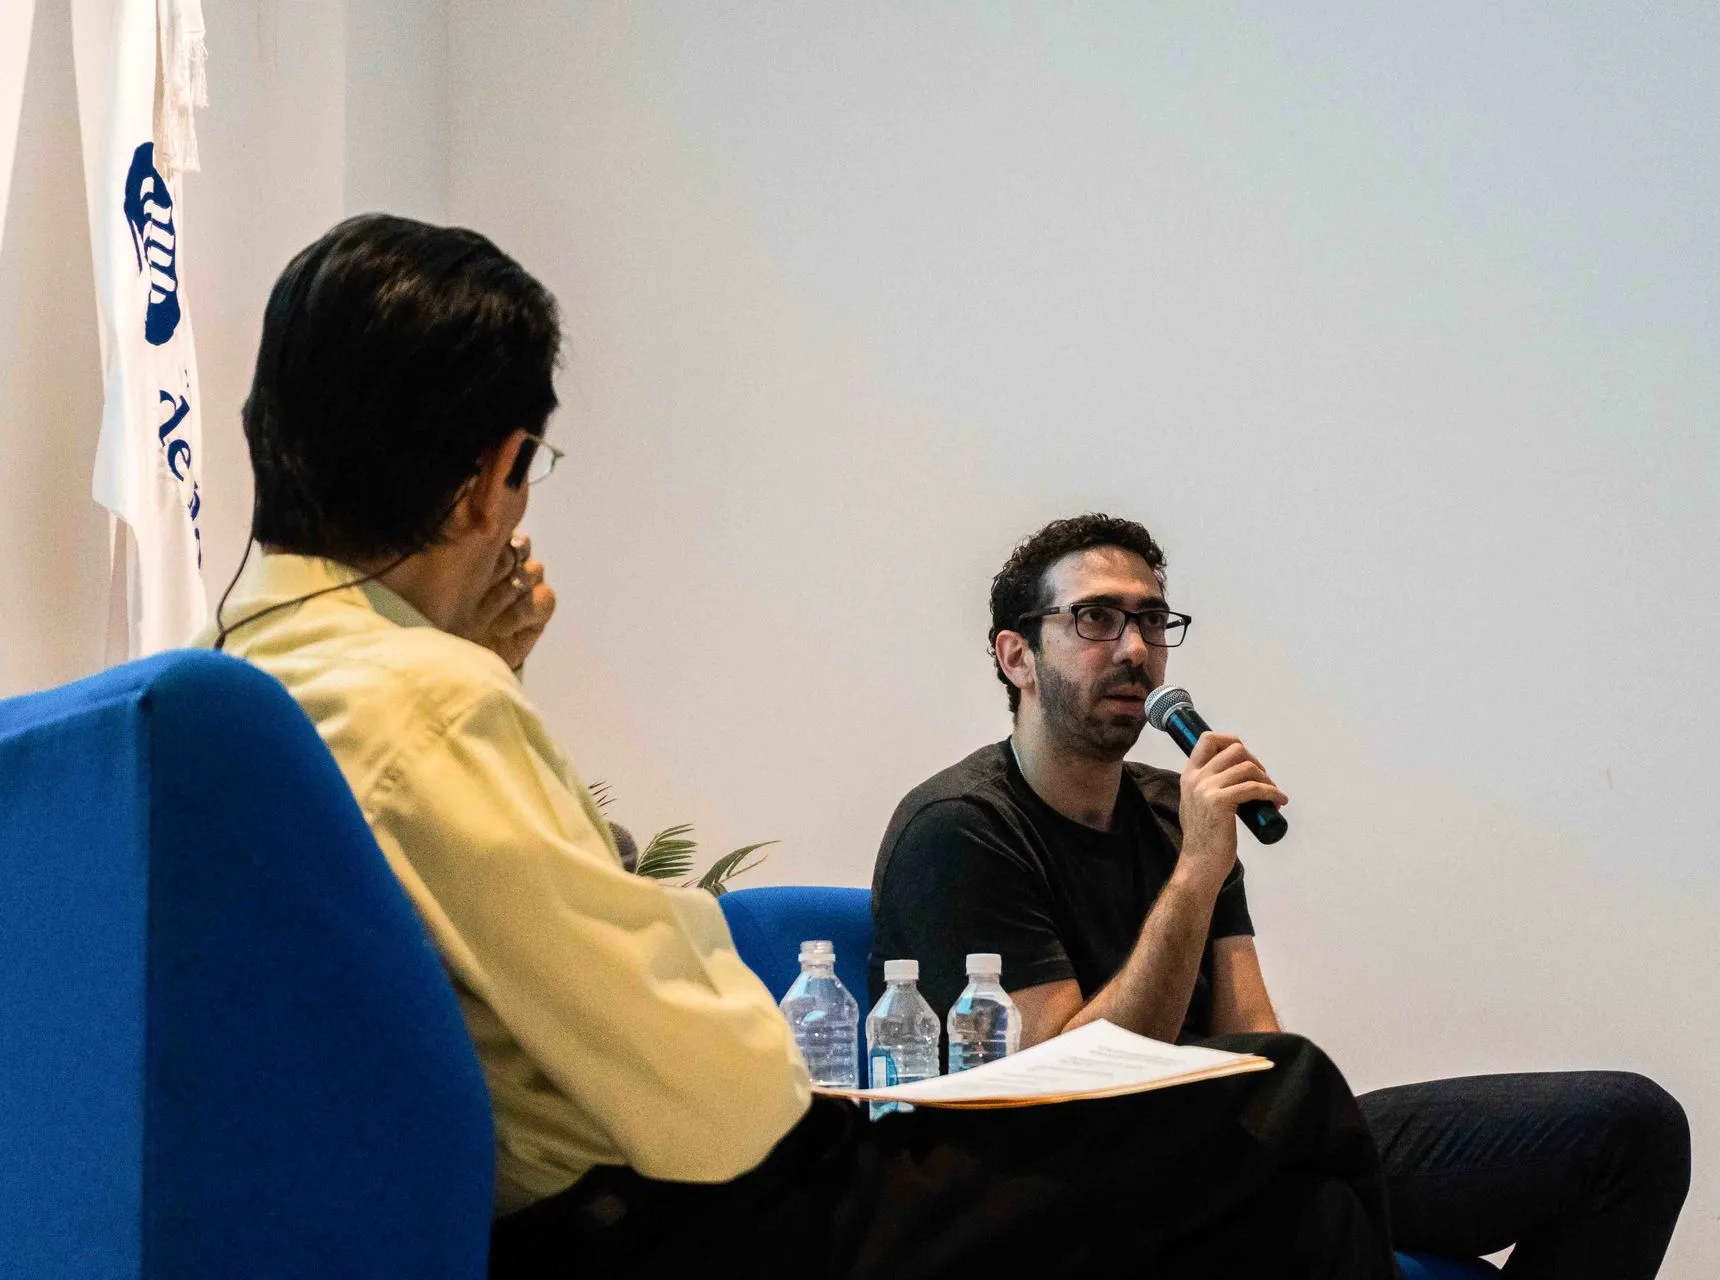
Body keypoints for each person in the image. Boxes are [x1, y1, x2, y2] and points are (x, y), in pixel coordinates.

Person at [201, 215, 1405, 1279]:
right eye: (528, 473)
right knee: (1288, 1095)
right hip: (686, 1222)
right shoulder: (432, 702)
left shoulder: (250, 676)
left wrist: (476, 656)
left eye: (1150, 620)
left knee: (1293, 1209)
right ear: (487, 479)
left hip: (568, 1204)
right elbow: (713, 1096)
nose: (1133, 647)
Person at [871, 513, 1694, 1280]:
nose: (1135, 649)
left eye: (1152, 620)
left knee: (1632, 1128)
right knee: (1306, 1169)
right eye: (1096, 619)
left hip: (1228, 1147)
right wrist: (1196, 875)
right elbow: (1069, 1092)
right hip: (1071, 1182)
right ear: (1017, 656)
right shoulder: (960, 830)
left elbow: (1256, 1045)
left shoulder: (1177, 808)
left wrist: (1203, 860)